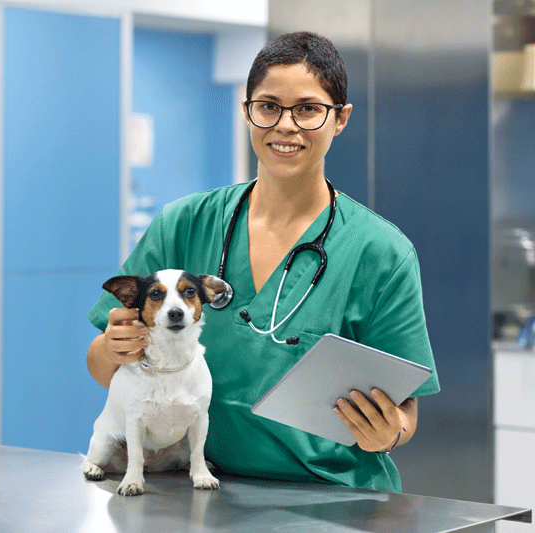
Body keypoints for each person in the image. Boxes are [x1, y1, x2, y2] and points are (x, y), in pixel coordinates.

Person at [86, 31, 439, 493]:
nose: (285, 126)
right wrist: (114, 347)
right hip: (201, 486)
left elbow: (404, 413)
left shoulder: (381, 252)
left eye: (309, 109)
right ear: (247, 110)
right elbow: (101, 366)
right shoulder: (184, 224)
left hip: (333, 495)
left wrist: (387, 431)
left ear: (340, 119)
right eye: (268, 106)